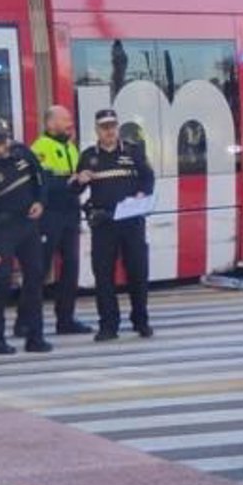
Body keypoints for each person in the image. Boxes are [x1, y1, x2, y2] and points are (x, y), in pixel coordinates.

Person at [0, 123, 53, 355]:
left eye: (5, 139)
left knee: (35, 279)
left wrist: (40, 203)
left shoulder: (22, 153)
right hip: (2, 231)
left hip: (28, 225)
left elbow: (41, 180)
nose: (5, 145)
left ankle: (35, 337)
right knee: (1, 285)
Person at [81, 108, 154, 340]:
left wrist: (143, 193)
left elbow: (148, 177)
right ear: (97, 130)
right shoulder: (88, 156)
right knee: (103, 275)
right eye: (104, 127)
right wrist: (79, 180)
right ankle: (108, 325)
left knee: (138, 273)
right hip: (103, 223)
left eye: (112, 126)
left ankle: (140, 321)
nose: (109, 131)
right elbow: (76, 187)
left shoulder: (133, 151)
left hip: (131, 221)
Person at [29, 105, 92, 336]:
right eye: (64, 119)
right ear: (50, 124)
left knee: (71, 269)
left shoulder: (71, 148)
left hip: (70, 216)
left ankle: (65, 319)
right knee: (39, 269)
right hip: (49, 217)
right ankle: (24, 321)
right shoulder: (40, 149)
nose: (70, 123)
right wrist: (69, 182)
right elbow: (42, 185)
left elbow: (74, 185)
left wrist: (82, 181)